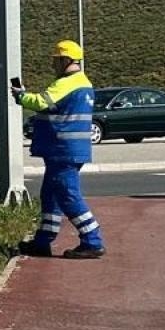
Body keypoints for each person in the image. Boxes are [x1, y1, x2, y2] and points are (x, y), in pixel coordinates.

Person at [11, 39, 105, 259]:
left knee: (67, 195)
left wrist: (21, 96)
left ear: (66, 60)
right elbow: (57, 107)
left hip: (63, 148)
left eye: (56, 60)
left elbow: (42, 102)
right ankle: (43, 240)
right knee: (50, 194)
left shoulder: (68, 82)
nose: (53, 65)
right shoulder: (82, 83)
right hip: (67, 148)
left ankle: (92, 240)